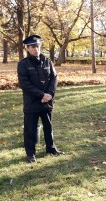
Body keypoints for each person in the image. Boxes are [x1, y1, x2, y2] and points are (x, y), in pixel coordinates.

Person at [17, 34, 64, 163]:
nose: (35, 49)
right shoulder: (23, 64)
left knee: (48, 126)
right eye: (32, 47)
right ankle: (30, 153)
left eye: (37, 46)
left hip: (47, 102)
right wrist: (41, 95)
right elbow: (24, 83)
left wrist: (50, 94)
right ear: (27, 48)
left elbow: (54, 78)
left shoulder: (47, 61)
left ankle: (51, 148)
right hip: (32, 102)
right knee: (30, 129)